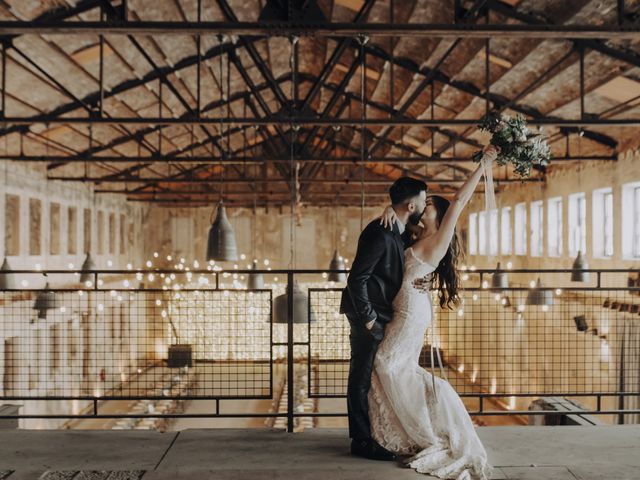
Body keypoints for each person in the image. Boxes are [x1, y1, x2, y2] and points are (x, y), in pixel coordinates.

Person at [369, 145, 499, 479]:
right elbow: (400, 218)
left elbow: (459, 201)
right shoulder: (413, 237)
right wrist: (389, 207)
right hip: (406, 307)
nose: (423, 208)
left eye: (428, 207)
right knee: (394, 366)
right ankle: (414, 426)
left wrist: (483, 164)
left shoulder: (438, 240)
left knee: (387, 363)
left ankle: (425, 428)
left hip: (412, 311)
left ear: (438, 217)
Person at [339, 176, 428, 461]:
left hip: (382, 312)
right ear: (412, 204)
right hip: (368, 315)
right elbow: (357, 278)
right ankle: (362, 441)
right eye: (424, 200)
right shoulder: (380, 231)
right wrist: (367, 318)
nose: (426, 204)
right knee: (361, 376)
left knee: (372, 374)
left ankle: (374, 433)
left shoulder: (397, 228)